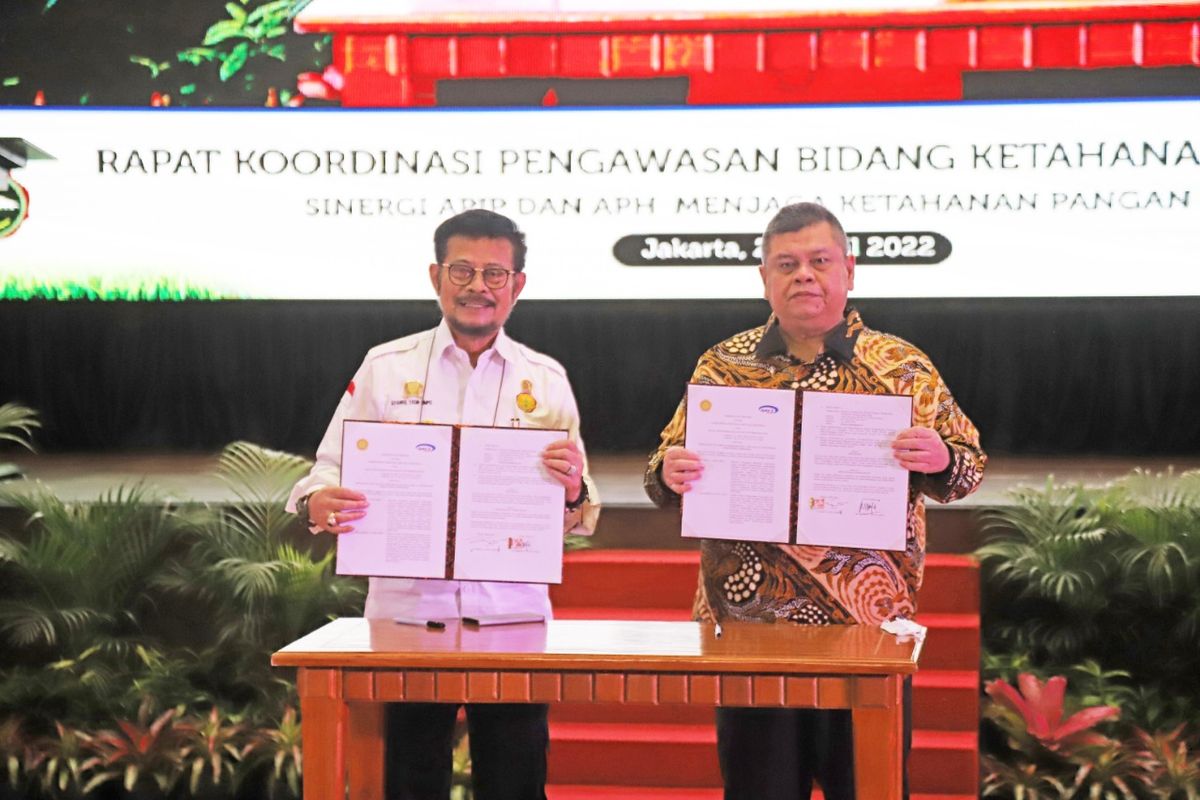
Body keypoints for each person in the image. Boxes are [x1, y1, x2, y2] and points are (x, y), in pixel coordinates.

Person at [644, 202, 985, 800]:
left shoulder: (902, 368)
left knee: (868, 788)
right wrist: (670, 473)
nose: (804, 275)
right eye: (787, 263)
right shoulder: (723, 365)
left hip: (867, 631)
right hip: (749, 630)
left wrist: (940, 459)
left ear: (848, 271)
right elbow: (663, 471)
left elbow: (967, 467)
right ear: (764, 278)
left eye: (819, 261)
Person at [287, 209, 598, 800]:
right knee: (409, 783)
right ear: (435, 277)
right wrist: (318, 500)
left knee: (515, 785)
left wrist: (574, 489)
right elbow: (324, 471)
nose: (478, 285)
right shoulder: (385, 367)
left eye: (494, 273)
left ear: (517, 286)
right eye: (462, 269)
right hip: (406, 619)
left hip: (513, 620)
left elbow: (581, 508)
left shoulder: (547, 379)